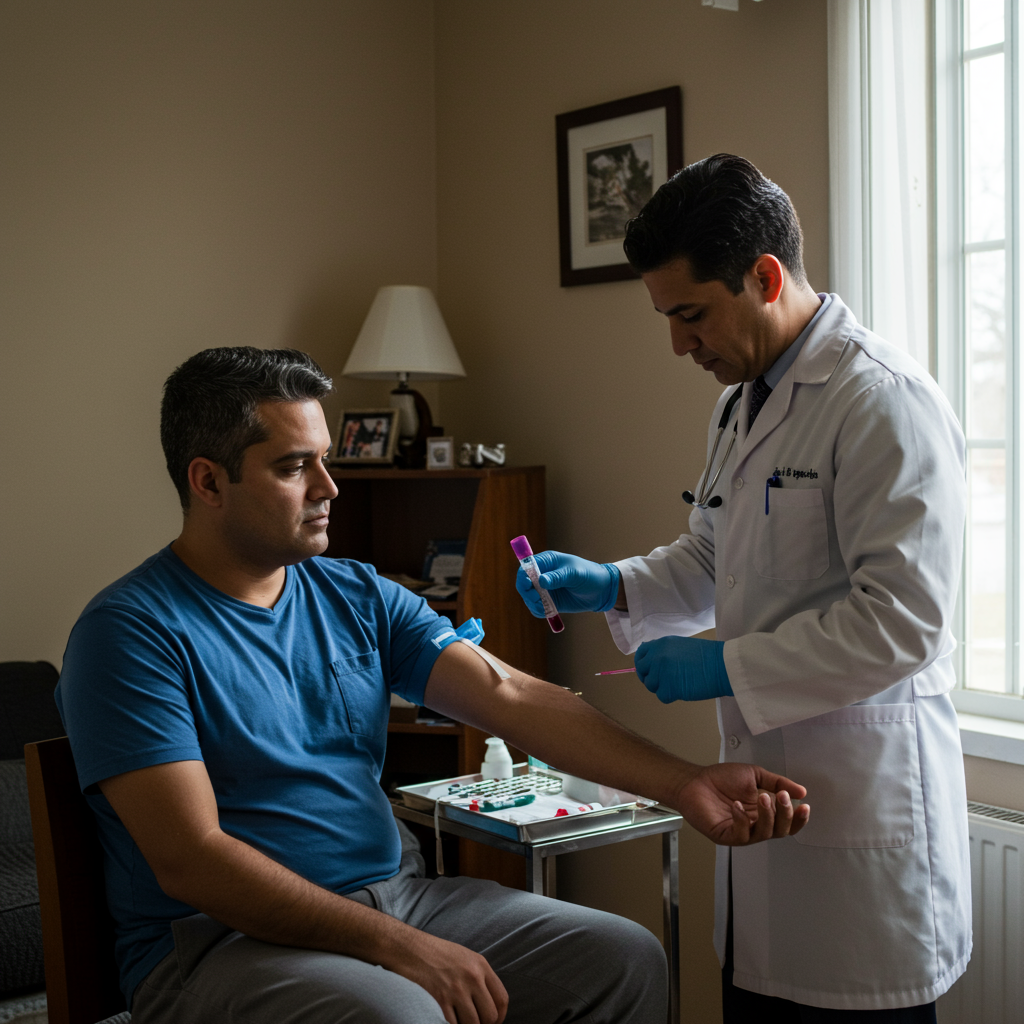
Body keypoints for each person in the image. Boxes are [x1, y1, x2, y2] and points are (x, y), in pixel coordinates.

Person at [56, 346, 810, 1024]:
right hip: (218, 945)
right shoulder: (130, 633)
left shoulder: (355, 593)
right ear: (207, 481)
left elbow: (511, 697)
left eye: (325, 459)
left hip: (398, 897)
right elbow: (193, 859)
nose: (330, 487)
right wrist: (399, 948)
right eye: (294, 467)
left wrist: (688, 784)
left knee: (623, 957)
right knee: (401, 1013)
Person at [515, 155, 971, 1022]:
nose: (680, 344)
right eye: (667, 318)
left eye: (691, 314)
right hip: (761, 828)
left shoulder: (883, 401)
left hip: (860, 821)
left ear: (764, 277)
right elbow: (711, 559)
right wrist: (611, 584)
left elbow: (905, 623)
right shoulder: (741, 404)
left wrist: (729, 667)